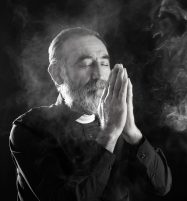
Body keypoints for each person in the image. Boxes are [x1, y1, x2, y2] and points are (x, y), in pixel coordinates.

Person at [9, 27, 172, 201]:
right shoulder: (29, 129)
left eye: (104, 64)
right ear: (57, 74)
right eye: (86, 64)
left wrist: (131, 132)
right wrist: (109, 134)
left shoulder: (119, 122)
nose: (99, 75)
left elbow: (161, 186)